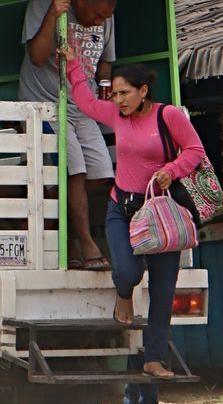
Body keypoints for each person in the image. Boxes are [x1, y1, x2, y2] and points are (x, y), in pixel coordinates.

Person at [64, 56, 206, 381]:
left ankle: (153, 359)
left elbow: (195, 150)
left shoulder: (167, 115)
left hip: (160, 213)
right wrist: (72, 65)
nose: (118, 100)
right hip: (123, 209)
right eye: (114, 94)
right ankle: (123, 296)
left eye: (124, 93)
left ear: (143, 91)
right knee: (127, 272)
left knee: (163, 290)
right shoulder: (115, 114)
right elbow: (85, 101)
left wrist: (171, 170)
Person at [19, 0, 117, 270]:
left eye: (105, 18)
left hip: (81, 104)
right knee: (75, 171)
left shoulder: (106, 19)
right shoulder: (43, 5)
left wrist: (104, 90)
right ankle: (86, 242)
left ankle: (66, 232)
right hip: (46, 105)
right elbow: (36, 57)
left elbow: (106, 63)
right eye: (97, 15)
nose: (100, 22)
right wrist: (53, 13)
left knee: (100, 172)